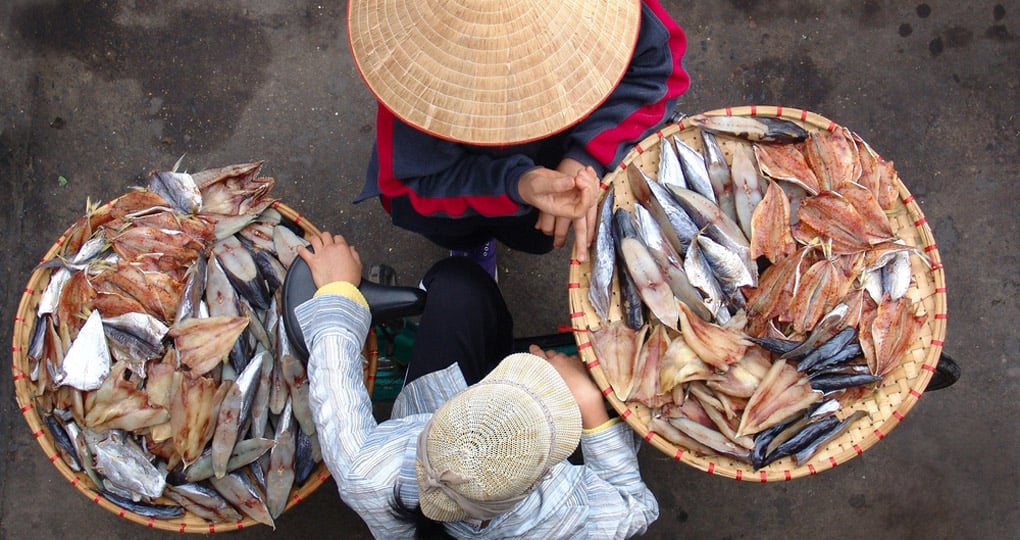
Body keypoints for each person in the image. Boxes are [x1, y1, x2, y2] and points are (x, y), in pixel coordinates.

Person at [296, 231, 658, 539]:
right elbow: (636, 507)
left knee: (457, 280)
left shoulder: (368, 474)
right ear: (539, 480)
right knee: (474, 294)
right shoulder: (564, 516)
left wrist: (338, 291)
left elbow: (334, 391)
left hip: (429, 398)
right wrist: (592, 411)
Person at [348, 0, 690, 274]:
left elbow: (656, 70)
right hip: (461, 180)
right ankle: (471, 246)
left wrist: (585, 157)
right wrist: (516, 183)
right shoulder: (416, 78)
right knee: (459, 224)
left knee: (533, 233)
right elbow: (419, 180)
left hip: (556, 152)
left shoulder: (628, 16)